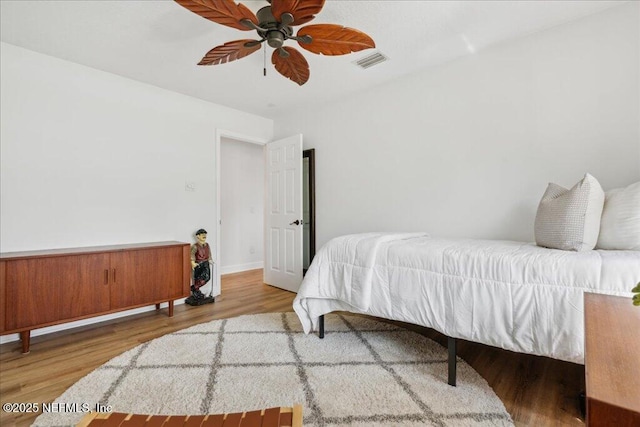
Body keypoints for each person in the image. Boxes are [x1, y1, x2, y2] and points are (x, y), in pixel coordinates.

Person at [190, 228, 212, 300]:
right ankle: (196, 290)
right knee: (198, 278)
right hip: (198, 264)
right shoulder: (195, 246)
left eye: (205, 234)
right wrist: (192, 262)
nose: (204, 236)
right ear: (198, 236)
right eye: (202, 234)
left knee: (207, 277)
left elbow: (209, 253)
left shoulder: (207, 245)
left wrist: (210, 259)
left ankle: (194, 287)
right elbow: (192, 255)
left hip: (206, 263)